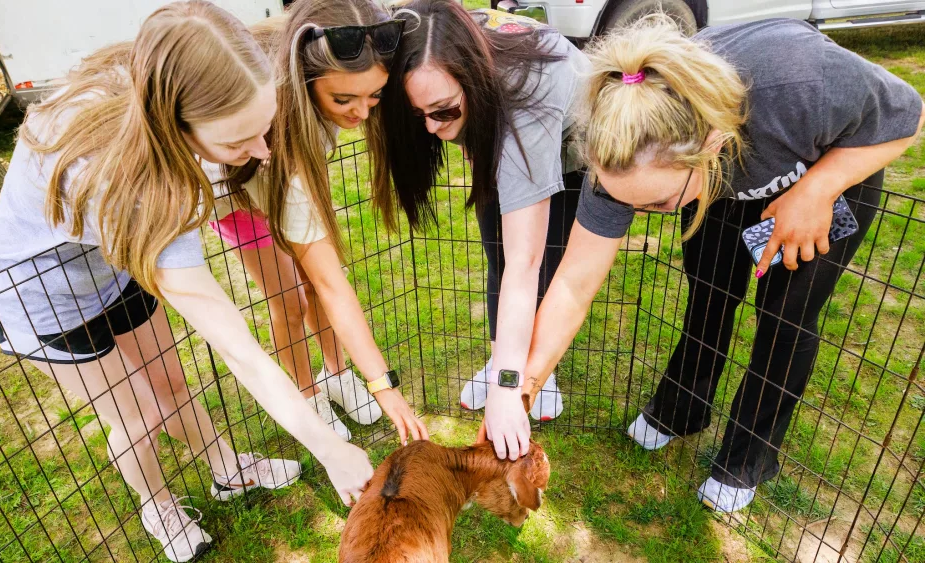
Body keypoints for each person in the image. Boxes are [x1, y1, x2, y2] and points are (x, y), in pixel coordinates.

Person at [0, 3, 374, 561]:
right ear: (174, 122)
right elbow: (237, 346)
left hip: (114, 268)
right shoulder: (128, 184)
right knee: (139, 414)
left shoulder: (159, 79)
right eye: (238, 143)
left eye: (263, 131)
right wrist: (330, 449)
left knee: (174, 387)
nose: (260, 153)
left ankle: (227, 469)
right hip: (40, 297)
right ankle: (157, 503)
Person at [512, 16, 924, 512]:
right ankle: (681, 408)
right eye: (630, 204)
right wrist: (523, 385)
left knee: (786, 315)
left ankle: (748, 455)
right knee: (709, 288)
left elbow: (907, 116)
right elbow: (574, 285)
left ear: (710, 146)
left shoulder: (800, 81)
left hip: (827, 168)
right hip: (715, 184)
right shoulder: (621, 150)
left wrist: (816, 190)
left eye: (660, 204)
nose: (645, 218)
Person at [375, 1, 593, 459]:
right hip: (497, 122)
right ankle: (502, 359)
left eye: (443, 112)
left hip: (571, 146)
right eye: (419, 116)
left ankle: (535, 370)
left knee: (538, 258)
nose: (433, 130)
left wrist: (510, 389)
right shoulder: (430, 41)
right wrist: (462, 126)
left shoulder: (525, 100)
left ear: (473, 78)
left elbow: (525, 261)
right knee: (497, 249)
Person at [206, 0, 429, 445]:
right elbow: (331, 279)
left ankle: (338, 374)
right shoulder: (274, 128)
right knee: (288, 298)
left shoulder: (322, 97)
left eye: (374, 96)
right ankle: (309, 394)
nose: (361, 114)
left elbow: (325, 280)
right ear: (304, 77)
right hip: (233, 193)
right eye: (342, 99)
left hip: (287, 174)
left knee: (316, 285)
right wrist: (384, 384)